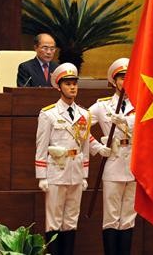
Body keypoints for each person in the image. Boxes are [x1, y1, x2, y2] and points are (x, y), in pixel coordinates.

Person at [35, 62, 91, 255]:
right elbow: (41, 146)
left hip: (75, 173)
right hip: (56, 172)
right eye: (67, 83)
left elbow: (84, 146)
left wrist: (84, 174)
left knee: (71, 221)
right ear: (58, 86)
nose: (72, 87)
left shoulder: (84, 114)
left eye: (74, 83)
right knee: (54, 222)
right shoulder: (48, 113)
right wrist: (42, 176)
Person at [88, 58, 136, 255]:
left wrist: (126, 121)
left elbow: (149, 130)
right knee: (111, 217)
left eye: (129, 78)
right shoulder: (102, 106)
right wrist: (98, 147)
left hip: (134, 164)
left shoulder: (140, 105)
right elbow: (77, 126)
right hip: (113, 162)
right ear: (114, 81)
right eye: (122, 78)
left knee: (128, 218)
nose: (126, 82)